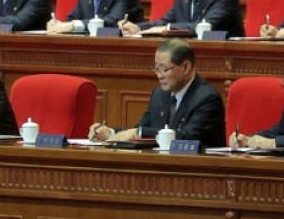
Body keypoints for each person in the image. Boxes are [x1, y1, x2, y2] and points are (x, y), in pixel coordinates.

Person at [89, 39, 225, 147]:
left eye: (164, 69)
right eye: (156, 69)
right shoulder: (159, 94)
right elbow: (142, 129)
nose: (159, 75)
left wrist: (139, 132)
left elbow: (187, 136)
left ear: (185, 67)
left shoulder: (207, 98)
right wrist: (111, 133)